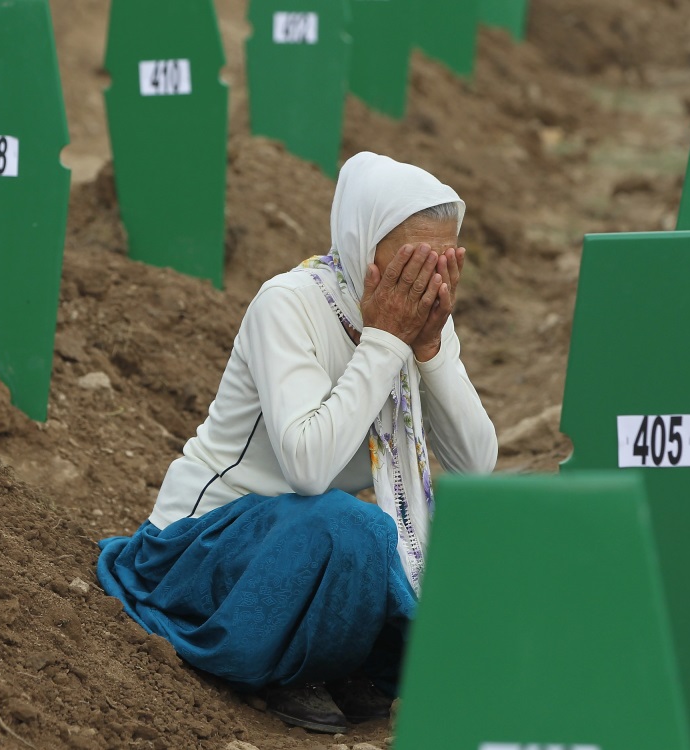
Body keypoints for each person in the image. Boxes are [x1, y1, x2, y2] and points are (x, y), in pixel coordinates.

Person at [96, 152, 497, 733]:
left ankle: (337, 658)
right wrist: (385, 342)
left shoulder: (419, 317)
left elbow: (477, 464)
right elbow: (308, 467)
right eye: (413, 262)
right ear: (364, 249)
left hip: (307, 539)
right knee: (354, 527)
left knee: (426, 561)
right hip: (201, 545)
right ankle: (291, 665)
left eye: (445, 262)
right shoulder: (289, 304)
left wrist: (429, 348)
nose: (429, 281)